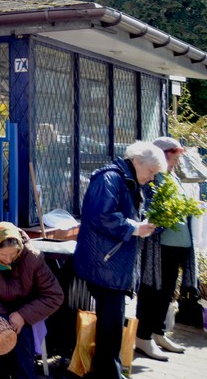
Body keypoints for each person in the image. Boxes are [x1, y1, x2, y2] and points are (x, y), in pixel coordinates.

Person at [73, 141, 162, 379]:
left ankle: (109, 371)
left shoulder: (126, 179)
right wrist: (135, 228)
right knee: (110, 324)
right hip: (104, 263)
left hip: (111, 263)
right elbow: (100, 215)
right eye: (151, 171)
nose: (152, 178)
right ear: (137, 161)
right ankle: (109, 373)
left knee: (111, 324)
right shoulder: (110, 178)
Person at [0, 222, 64, 379]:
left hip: (28, 306)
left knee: (23, 338)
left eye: (13, 254)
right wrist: (0, 318)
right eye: (3, 255)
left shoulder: (32, 257)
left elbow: (55, 295)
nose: (8, 259)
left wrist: (23, 315)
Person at [134, 136, 197, 359]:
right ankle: (143, 336)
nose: (176, 162)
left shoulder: (174, 178)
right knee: (153, 291)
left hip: (179, 245)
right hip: (159, 247)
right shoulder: (152, 178)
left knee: (168, 291)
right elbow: (147, 210)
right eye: (173, 156)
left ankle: (158, 332)